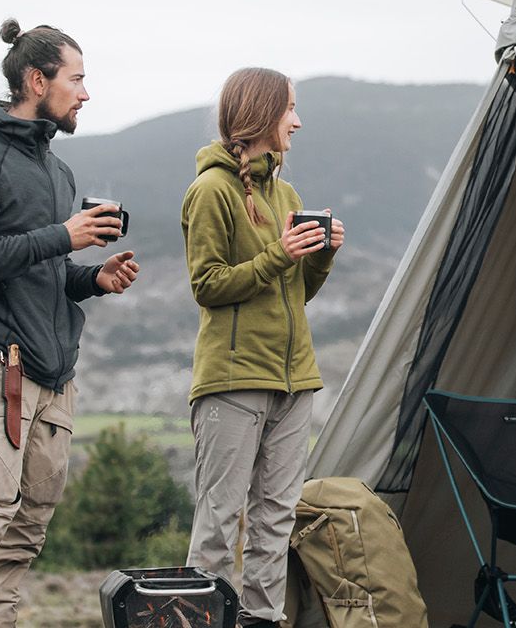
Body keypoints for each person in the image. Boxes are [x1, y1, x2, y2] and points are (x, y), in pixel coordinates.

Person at [0, 19, 141, 626]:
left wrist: (93, 277)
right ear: (36, 79)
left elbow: (43, 270)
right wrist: (61, 235)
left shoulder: (57, 173)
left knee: (20, 538)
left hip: (53, 376)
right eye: (77, 79)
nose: (85, 94)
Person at [182, 67, 343, 628]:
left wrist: (317, 254)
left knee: (276, 520)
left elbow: (296, 296)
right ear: (260, 115)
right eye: (289, 110)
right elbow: (208, 285)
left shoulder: (287, 193)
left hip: (295, 382)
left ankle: (264, 620)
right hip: (232, 382)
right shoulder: (210, 191)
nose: (297, 122)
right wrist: (280, 253)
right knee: (220, 523)